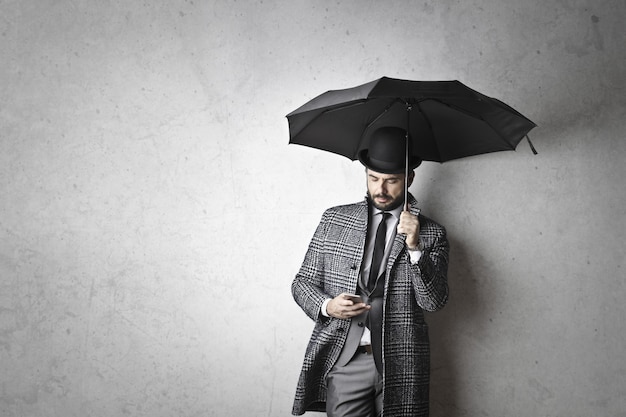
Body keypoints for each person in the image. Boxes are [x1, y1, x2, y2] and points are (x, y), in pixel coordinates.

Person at [291, 126, 450, 417]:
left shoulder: (432, 234)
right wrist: (328, 306)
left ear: (409, 178)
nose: (381, 189)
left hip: (403, 363)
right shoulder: (335, 220)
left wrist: (415, 247)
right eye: (373, 178)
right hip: (348, 358)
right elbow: (302, 283)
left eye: (391, 181)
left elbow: (434, 301)